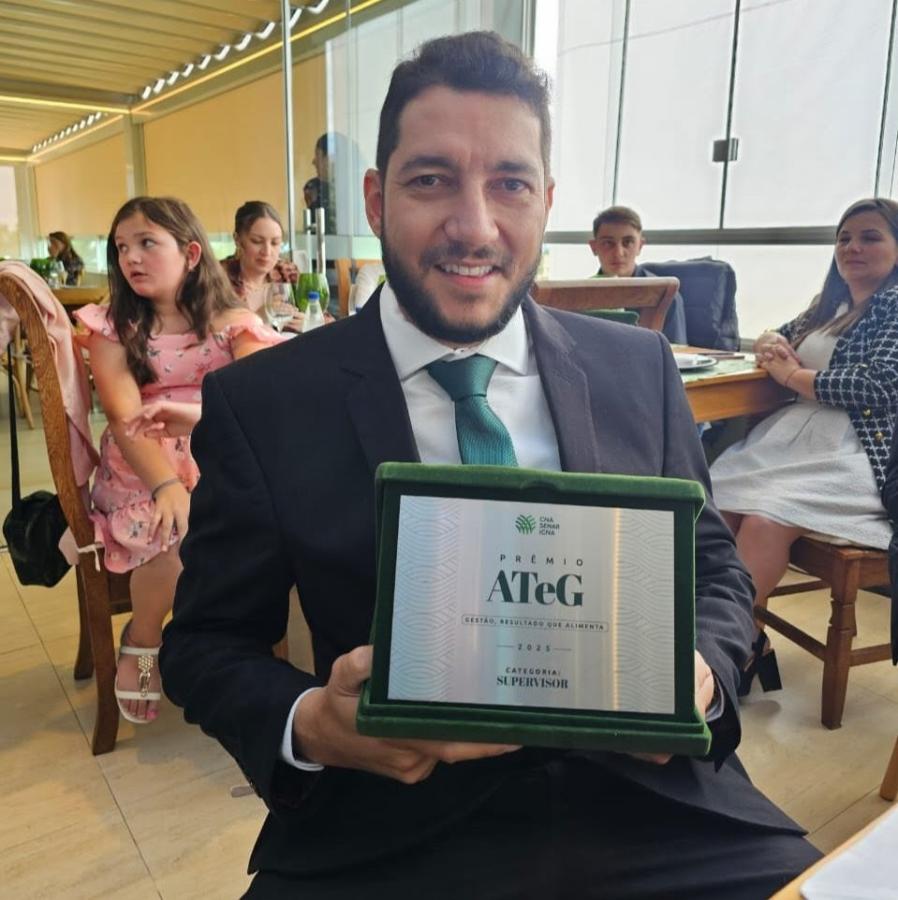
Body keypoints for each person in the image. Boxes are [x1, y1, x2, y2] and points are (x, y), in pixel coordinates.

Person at [161, 32, 819, 898]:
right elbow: (204, 644)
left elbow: (713, 570)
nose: (474, 226)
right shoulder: (267, 401)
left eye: (510, 184)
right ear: (376, 198)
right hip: (388, 822)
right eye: (431, 180)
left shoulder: (636, 367)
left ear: (546, 201)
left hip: (652, 805)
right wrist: (313, 722)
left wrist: (700, 674)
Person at [75, 196, 283, 725]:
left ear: (191, 254)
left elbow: (259, 398)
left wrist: (197, 418)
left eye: (147, 242)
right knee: (170, 527)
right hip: (140, 466)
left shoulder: (234, 322)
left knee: (276, 518)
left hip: (218, 456)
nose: (130, 257)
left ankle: (237, 646)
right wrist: (166, 484)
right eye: (122, 247)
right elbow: (124, 418)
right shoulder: (113, 326)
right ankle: (144, 637)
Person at [710, 198, 898, 694]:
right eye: (844, 238)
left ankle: (726, 650)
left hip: (855, 451)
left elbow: (880, 386)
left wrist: (794, 376)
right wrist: (769, 341)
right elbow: (782, 334)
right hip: (793, 445)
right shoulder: (830, 306)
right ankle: (735, 640)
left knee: (765, 519)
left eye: (871, 237)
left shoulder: (895, 305)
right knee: (715, 508)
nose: (852, 247)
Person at [589, 205, 688, 345]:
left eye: (628, 242)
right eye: (608, 243)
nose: (618, 253)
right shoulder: (580, 296)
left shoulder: (665, 296)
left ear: (640, 246)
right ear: (594, 247)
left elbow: (676, 352)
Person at [221, 200, 303, 328]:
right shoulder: (218, 277)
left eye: (275, 243)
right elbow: (205, 330)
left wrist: (309, 323)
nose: (267, 252)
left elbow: (325, 319)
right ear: (238, 240)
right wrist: (258, 317)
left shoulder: (286, 272)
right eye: (257, 241)